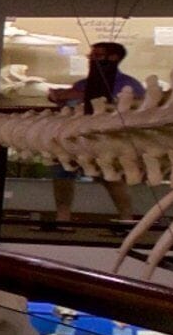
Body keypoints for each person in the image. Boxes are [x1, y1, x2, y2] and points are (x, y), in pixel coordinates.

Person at [46, 40, 135, 220]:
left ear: (113, 58)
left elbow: (130, 106)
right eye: (91, 56)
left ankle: (126, 219)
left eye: (98, 56)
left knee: (110, 176)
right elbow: (66, 100)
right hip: (75, 136)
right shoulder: (82, 84)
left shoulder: (128, 84)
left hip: (107, 138)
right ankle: (63, 216)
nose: (92, 59)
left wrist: (74, 96)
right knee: (63, 171)